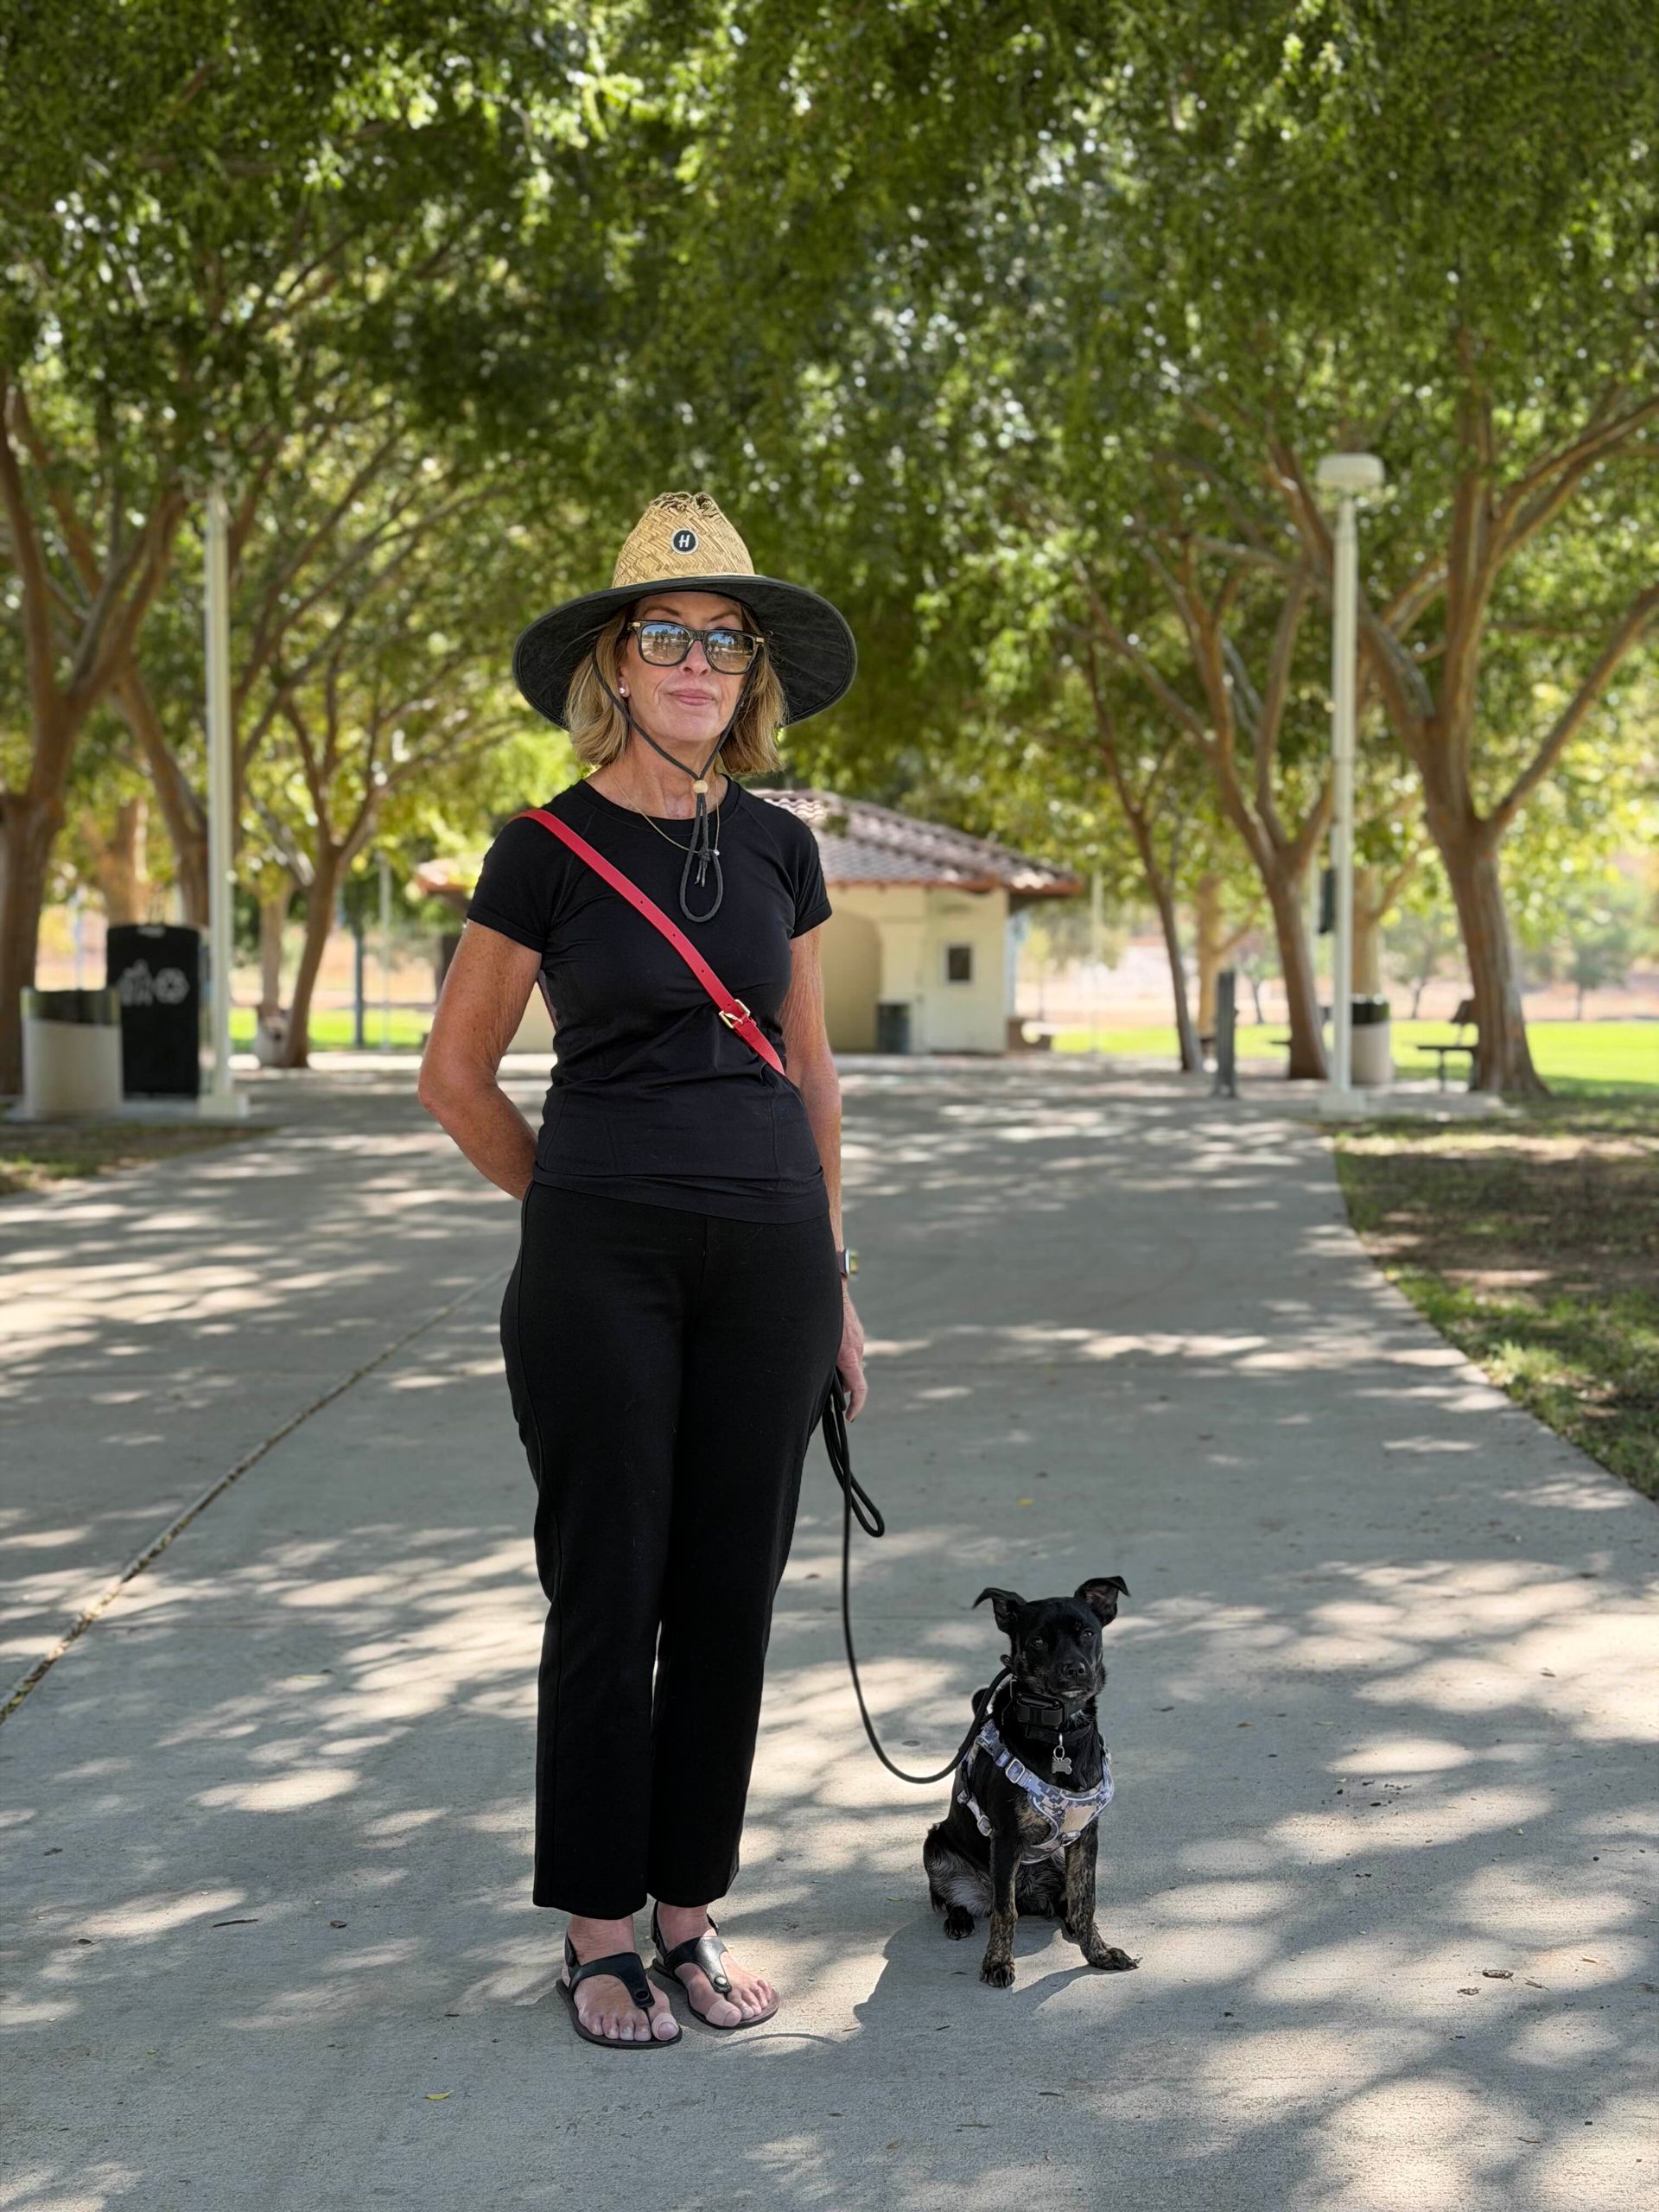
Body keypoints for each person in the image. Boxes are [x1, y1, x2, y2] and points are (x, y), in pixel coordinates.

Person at [417, 493, 868, 2049]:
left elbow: (812, 1072)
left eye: (724, 642)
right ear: (617, 662)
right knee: (607, 1587)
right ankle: (598, 1931)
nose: (697, 663)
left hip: (772, 1266)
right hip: (599, 1262)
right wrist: (576, 1208)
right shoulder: (539, 851)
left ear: (750, 676)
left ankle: (690, 1912)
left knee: (731, 1591)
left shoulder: (783, 851)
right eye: (666, 636)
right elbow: (457, 1077)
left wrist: (836, 1280)